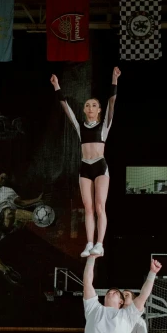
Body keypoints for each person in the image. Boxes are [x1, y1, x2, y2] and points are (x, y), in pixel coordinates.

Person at [50, 67, 121, 258]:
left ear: (98, 110)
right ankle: (89, 243)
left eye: (94, 105)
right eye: (87, 105)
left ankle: (100, 243)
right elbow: (65, 107)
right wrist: (57, 86)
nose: (90, 108)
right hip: (85, 167)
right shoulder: (80, 126)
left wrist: (114, 79)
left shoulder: (104, 125)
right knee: (88, 208)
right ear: (84, 109)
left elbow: (112, 101)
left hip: (100, 166)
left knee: (99, 206)